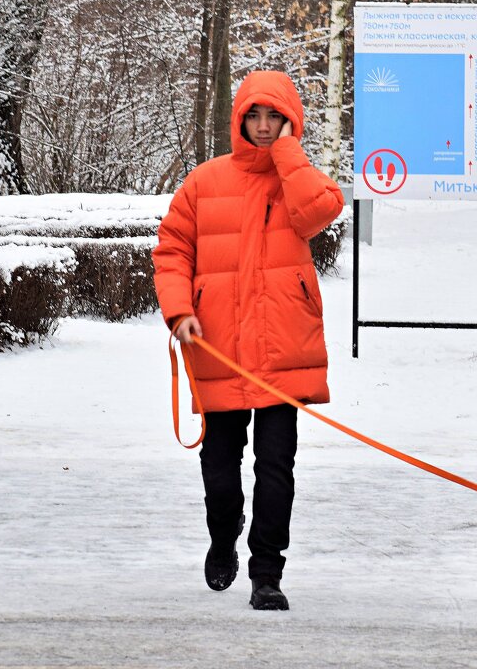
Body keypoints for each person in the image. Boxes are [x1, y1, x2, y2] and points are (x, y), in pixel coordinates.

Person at [152, 70, 344, 611]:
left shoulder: (299, 178)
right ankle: (222, 534)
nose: (263, 126)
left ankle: (266, 572)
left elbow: (321, 212)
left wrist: (288, 157)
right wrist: (179, 312)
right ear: (239, 120)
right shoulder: (204, 181)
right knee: (219, 466)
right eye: (253, 116)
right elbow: (172, 252)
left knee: (275, 466)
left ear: (290, 121)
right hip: (218, 346)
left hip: (284, 347)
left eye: (273, 116)